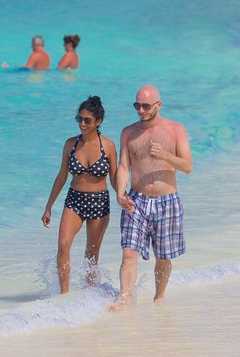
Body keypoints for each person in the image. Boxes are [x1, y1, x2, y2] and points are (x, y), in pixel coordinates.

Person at [110, 85, 193, 309]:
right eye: (137, 105)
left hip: (167, 200)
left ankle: (159, 297)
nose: (141, 110)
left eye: (146, 106)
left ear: (159, 105)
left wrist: (166, 156)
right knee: (129, 252)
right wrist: (119, 191)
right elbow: (124, 166)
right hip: (136, 200)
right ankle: (125, 299)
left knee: (163, 257)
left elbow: (187, 166)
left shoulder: (176, 130)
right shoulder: (129, 132)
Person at [42, 96, 118, 293]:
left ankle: (89, 293)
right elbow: (61, 176)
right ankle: (64, 295)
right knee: (63, 244)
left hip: (99, 203)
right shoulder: (70, 144)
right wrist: (49, 206)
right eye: (79, 119)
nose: (82, 124)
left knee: (91, 254)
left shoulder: (108, 146)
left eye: (87, 120)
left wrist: (124, 197)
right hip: (74, 200)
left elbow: (115, 179)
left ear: (98, 121)